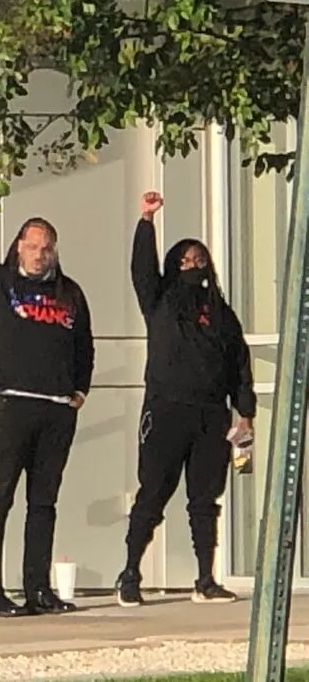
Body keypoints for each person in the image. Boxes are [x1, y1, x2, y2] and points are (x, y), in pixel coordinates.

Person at [0, 175, 95, 618]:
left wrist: (79, 389)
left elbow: (85, 344)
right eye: (33, 246)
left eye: (47, 248)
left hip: (56, 410)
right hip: (10, 404)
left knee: (43, 501)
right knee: (0, 494)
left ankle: (38, 589)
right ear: (19, 247)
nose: (40, 254)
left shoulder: (70, 293)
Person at [115, 190, 255, 607]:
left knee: (204, 498)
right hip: (166, 410)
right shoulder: (159, 301)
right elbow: (141, 269)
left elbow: (239, 366)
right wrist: (146, 221)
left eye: (198, 260)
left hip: (211, 416)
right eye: (184, 261)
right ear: (173, 267)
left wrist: (244, 414)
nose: (192, 266)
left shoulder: (221, 313)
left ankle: (205, 578)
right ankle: (130, 572)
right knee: (153, 491)